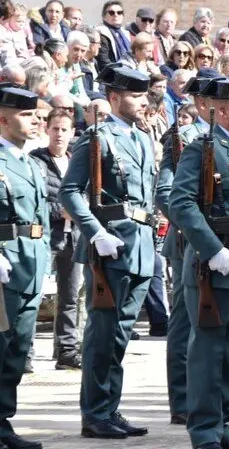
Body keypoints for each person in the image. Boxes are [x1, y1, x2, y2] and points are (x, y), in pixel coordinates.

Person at [59, 65, 156, 439]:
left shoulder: (143, 139)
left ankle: (110, 407)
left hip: (141, 247)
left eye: (145, 94)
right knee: (102, 334)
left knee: (121, 335)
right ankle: (95, 413)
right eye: (135, 95)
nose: (143, 101)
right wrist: (96, 232)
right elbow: (70, 190)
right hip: (111, 248)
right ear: (114, 98)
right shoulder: (97, 137)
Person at [168, 79, 229, 449]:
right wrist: (210, 248)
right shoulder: (203, 148)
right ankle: (205, 432)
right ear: (222, 111)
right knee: (208, 352)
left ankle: (222, 424)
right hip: (215, 264)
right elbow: (181, 203)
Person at [155, 74, 219, 426]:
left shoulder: (225, 138)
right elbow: (165, 192)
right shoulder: (181, 140)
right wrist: (193, 223)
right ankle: (182, 399)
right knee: (183, 323)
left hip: (219, 241)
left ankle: (209, 399)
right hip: (186, 242)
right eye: (205, 97)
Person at [0, 87, 50, 449]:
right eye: (25, 115)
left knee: (17, 351)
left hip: (30, 265)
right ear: (3, 119)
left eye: (36, 114)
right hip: (5, 264)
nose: (35, 120)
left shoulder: (30, 162)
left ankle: (2, 424)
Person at [31, 107, 82, 371]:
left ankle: (66, 351)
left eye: (64, 129)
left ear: (72, 132)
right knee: (34, 295)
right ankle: (25, 353)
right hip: (46, 236)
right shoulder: (36, 160)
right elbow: (36, 199)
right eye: (55, 129)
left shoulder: (76, 159)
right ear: (46, 130)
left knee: (70, 297)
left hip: (73, 236)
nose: (59, 134)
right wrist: (58, 211)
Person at [95, 0, 132, 72]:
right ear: (103, 16)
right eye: (111, 13)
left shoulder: (126, 33)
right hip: (111, 76)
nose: (116, 15)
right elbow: (103, 60)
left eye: (119, 12)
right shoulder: (100, 33)